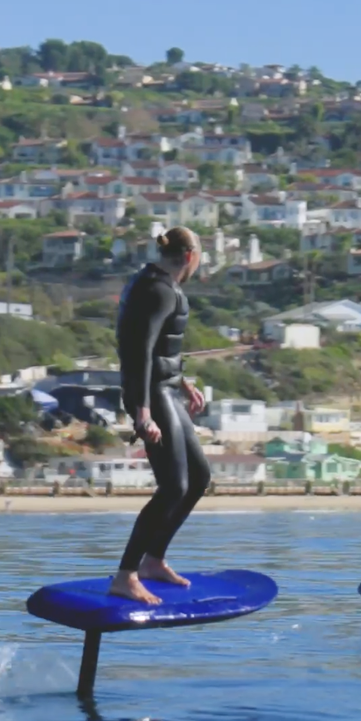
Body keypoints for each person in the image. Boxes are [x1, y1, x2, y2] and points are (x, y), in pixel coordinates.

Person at [110, 227, 212, 604]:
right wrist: (143, 413)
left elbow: (162, 348)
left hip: (165, 390)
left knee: (198, 478)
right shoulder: (157, 290)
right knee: (173, 487)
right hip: (151, 396)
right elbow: (139, 352)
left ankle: (154, 561)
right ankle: (126, 574)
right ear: (190, 257)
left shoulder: (160, 284)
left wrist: (182, 383)